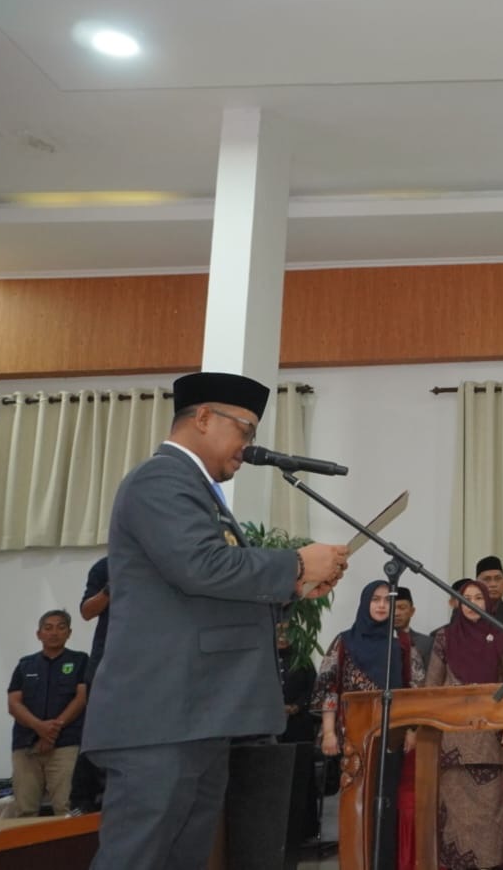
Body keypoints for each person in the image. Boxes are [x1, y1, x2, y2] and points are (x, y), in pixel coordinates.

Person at [83, 371, 348, 870]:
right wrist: (295, 563)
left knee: (181, 859)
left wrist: (294, 587)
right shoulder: (161, 479)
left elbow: (208, 593)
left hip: (194, 716)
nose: (248, 447)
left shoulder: (197, 492)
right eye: (244, 430)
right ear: (203, 417)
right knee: (136, 859)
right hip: (158, 718)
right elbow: (200, 566)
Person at [315, 580, 425, 870]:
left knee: (386, 802)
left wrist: (411, 729)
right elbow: (329, 688)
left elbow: (415, 689)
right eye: (375, 599)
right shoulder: (344, 641)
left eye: (387, 600)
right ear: (365, 603)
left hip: (392, 737)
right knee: (355, 802)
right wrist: (329, 732)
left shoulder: (402, 644)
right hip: (353, 738)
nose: (381, 605)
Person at [424, 578, 503, 870]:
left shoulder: (500, 636)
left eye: (478, 598)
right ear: (457, 603)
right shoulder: (445, 637)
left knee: (489, 820)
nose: (472, 604)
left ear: (488, 603)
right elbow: (431, 688)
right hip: (454, 743)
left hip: (492, 740)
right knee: (456, 820)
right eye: (466, 598)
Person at [7, 609, 89, 817]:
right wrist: (39, 727)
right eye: (48, 628)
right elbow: (14, 704)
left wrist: (52, 731)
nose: (54, 633)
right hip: (26, 746)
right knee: (25, 811)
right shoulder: (25, 665)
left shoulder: (80, 661)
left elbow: (81, 699)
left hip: (65, 745)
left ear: (69, 633)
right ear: (39, 634)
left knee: (67, 808)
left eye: (61, 628)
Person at [69, 557, 111, 813]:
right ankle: (85, 801)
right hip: (106, 662)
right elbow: (86, 611)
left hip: (147, 661)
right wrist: (110, 588)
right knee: (96, 732)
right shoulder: (105, 566)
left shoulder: (160, 560)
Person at [275, 619, 321, 839]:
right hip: (271, 728)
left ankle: (304, 831)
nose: (283, 637)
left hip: (298, 725)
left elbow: (314, 690)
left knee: (300, 775)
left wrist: (295, 707)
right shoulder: (264, 659)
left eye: (287, 633)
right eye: (278, 632)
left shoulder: (302, 660)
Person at [394, 587, 433, 669]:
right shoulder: (375, 641)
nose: (396, 613)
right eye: (391, 608)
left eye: (402, 608)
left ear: (412, 611)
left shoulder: (427, 643)